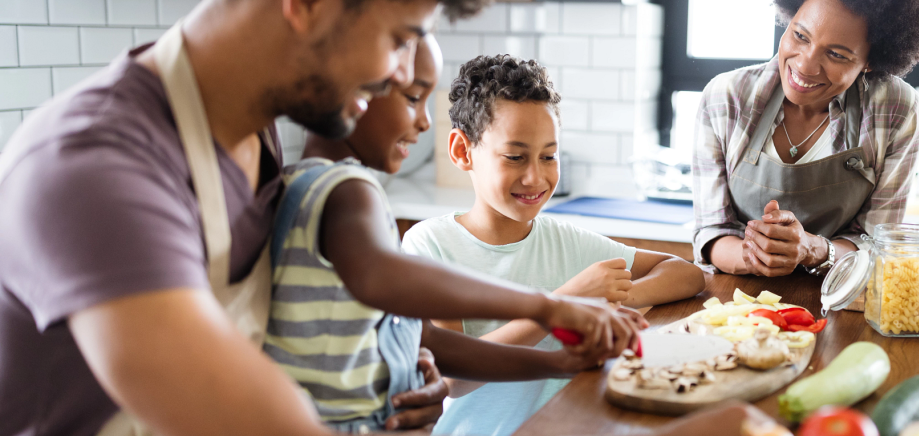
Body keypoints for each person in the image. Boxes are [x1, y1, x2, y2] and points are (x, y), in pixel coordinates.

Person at [0, 0, 643, 435]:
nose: (398, 74)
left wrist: (396, 369)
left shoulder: (259, 148)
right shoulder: (91, 166)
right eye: (398, 40)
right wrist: (546, 310)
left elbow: (301, 328)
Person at [268, 38, 644, 434]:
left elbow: (434, 343)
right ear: (356, 91)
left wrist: (558, 364)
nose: (425, 121)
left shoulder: (305, 181)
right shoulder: (347, 189)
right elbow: (384, 277)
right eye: (413, 97)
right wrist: (547, 307)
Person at [401, 54, 706, 436]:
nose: (536, 176)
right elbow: (456, 378)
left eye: (549, 156)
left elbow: (686, 274)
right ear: (463, 151)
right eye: (515, 157)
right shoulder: (430, 245)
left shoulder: (564, 241)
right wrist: (564, 304)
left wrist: (603, 307)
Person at [692, 0, 919, 278]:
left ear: (870, 62)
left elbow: (877, 245)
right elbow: (712, 231)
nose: (805, 66)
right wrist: (755, 255)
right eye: (800, 36)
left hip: (840, 301)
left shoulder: (896, 108)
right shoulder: (726, 97)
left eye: (836, 54)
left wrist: (813, 250)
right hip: (739, 304)